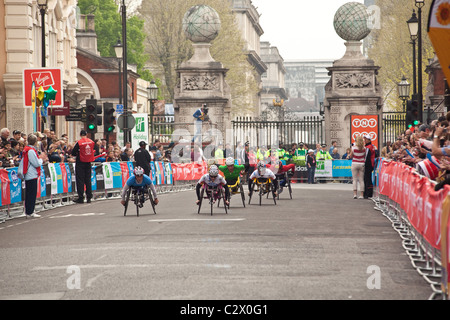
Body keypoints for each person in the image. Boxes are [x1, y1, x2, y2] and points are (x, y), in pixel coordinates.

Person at [21, 134, 48, 218]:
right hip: (31, 174)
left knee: (29, 193)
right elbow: (36, 163)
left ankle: (29, 211)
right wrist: (41, 159)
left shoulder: (27, 149)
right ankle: (30, 211)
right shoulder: (31, 151)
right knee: (31, 194)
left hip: (29, 173)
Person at [71, 130, 95, 203]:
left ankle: (81, 197)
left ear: (80, 135)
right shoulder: (91, 141)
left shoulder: (79, 142)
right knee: (88, 180)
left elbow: (73, 153)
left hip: (80, 162)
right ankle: (89, 197)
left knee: (80, 180)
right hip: (88, 162)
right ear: (86, 134)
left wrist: (78, 153)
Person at [363, 135, 375, 199]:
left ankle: (367, 193)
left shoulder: (368, 147)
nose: (365, 140)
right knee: (368, 179)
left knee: (366, 179)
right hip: (371, 164)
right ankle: (369, 193)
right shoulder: (372, 147)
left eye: (366, 139)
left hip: (368, 165)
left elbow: (367, 157)